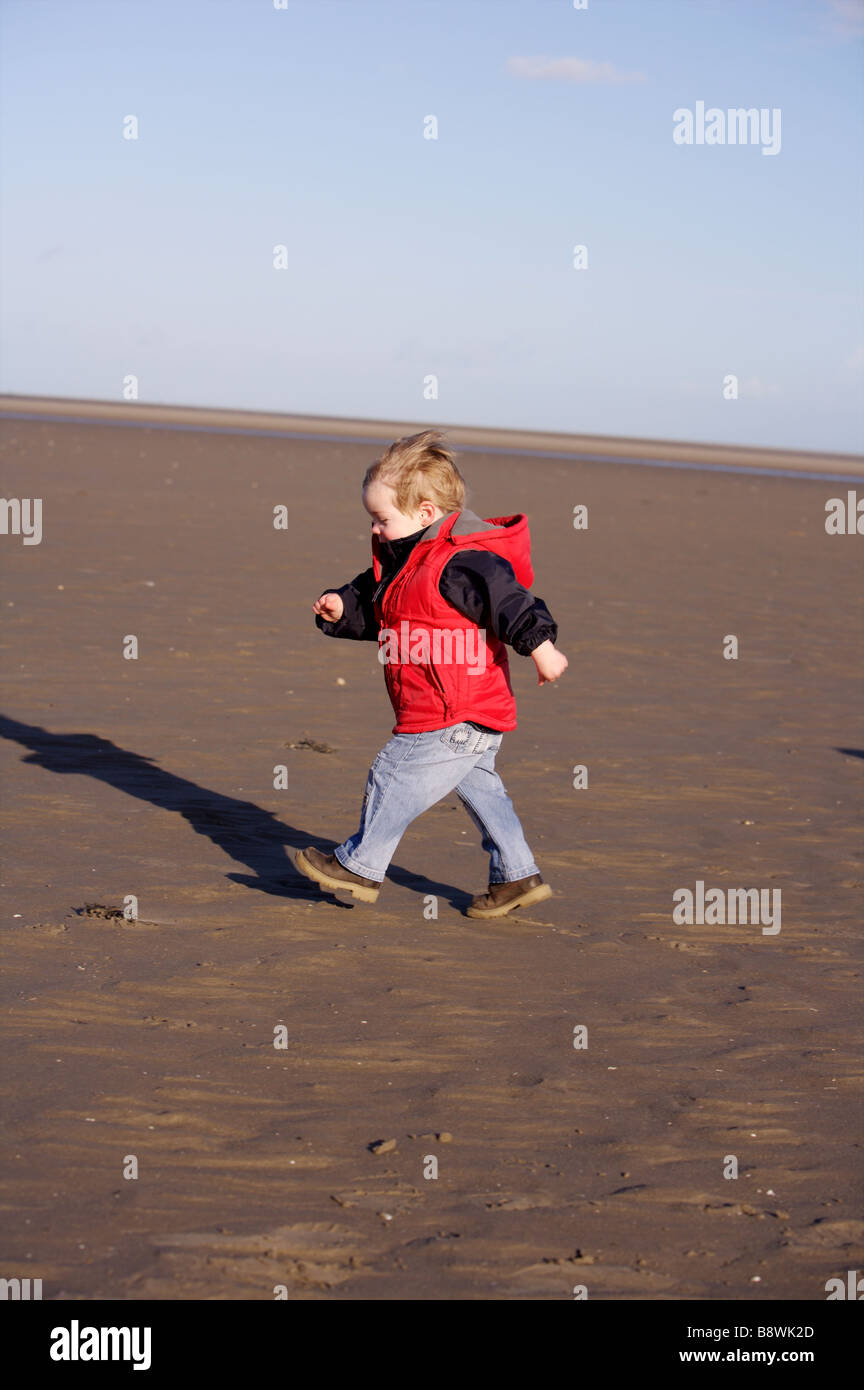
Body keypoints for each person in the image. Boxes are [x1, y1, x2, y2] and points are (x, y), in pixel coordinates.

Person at [294, 429, 568, 918]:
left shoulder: (463, 562)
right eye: (371, 520)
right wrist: (342, 607)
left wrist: (540, 646)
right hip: (464, 711)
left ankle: (360, 864)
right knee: (480, 787)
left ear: (424, 512)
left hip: (452, 709)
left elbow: (510, 600)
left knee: (393, 774)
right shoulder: (404, 563)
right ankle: (516, 875)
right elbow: (378, 601)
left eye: (382, 519)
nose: (375, 531)